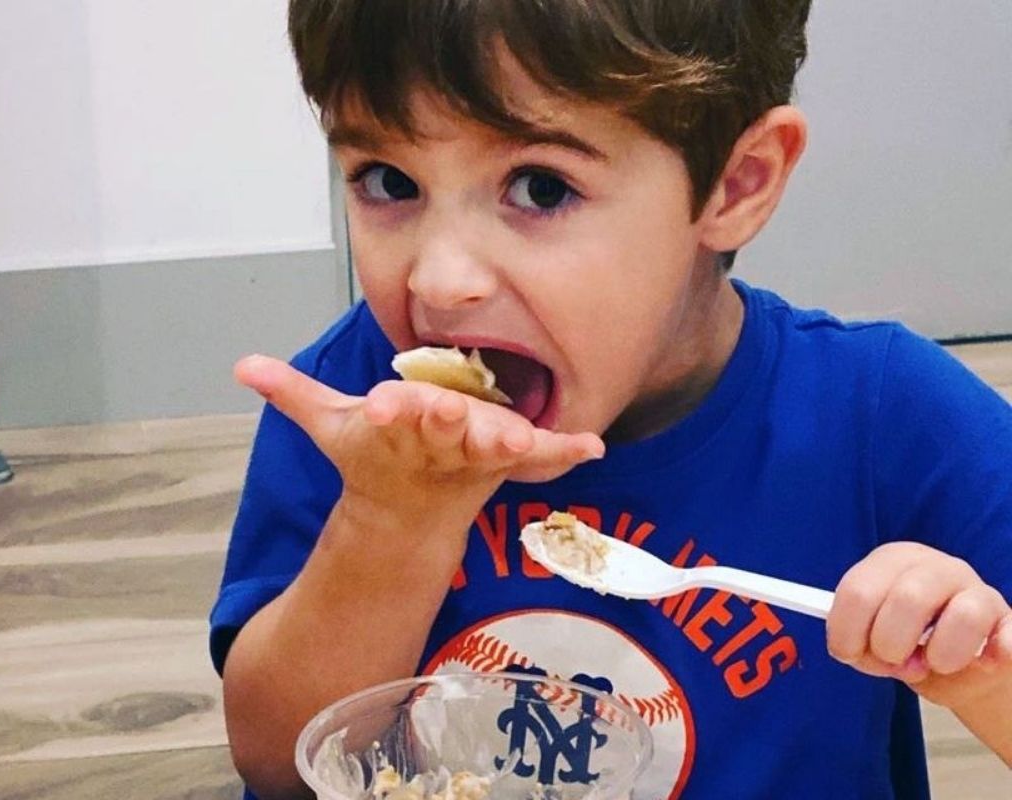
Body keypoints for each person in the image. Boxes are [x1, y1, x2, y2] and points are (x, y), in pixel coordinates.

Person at [211, 2, 1012, 797]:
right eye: (389, 182)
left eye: (541, 188)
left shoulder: (878, 417)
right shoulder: (355, 410)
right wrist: (389, 519)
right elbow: (283, 764)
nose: (439, 279)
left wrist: (978, 671)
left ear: (738, 182)